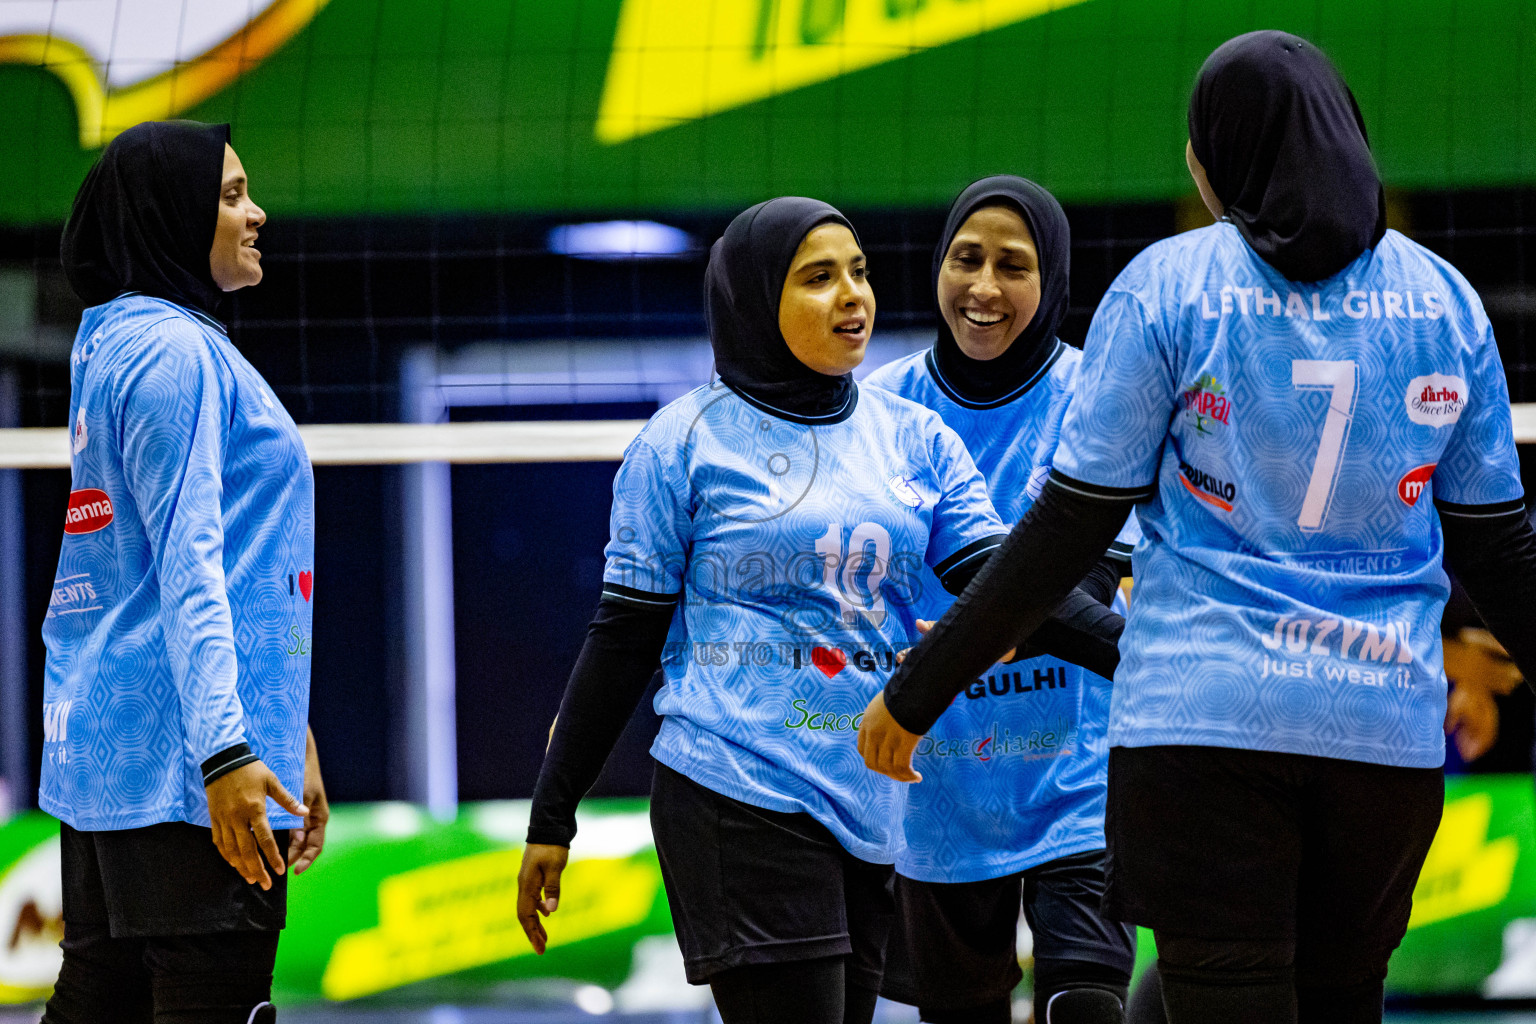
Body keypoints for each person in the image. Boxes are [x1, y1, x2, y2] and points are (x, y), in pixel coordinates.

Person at [858, 30, 1536, 1024]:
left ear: (1219, 152)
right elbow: (1501, 549)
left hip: (1206, 726)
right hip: (1381, 734)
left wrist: (919, 688)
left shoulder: (1170, 285)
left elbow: (1066, 527)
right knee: (1341, 999)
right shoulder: (1444, 299)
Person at [514, 196, 1016, 1024]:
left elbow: (1007, 584)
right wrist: (552, 813)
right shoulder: (682, 442)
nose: (852, 294)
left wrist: (1127, 636)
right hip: (734, 787)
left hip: (866, 799)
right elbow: (623, 639)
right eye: (818, 278)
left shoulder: (915, 437)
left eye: (858, 271)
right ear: (754, 300)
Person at [42, 120, 330, 1024]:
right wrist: (232, 750)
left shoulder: (117, 342)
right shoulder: (175, 353)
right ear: (170, 217)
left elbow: (189, 572)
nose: (258, 214)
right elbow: (189, 568)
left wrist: (289, 727)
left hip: (118, 755)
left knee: (101, 1001)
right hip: (184, 772)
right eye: (232, 194)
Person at [862, 176, 1137, 1024]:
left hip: (1077, 772)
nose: (983, 287)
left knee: (1087, 1006)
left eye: (1011, 266)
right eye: (965, 259)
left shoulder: (1097, 394)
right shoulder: (881, 408)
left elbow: (1097, 575)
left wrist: (977, 630)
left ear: (1050, 281)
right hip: (935, 780)